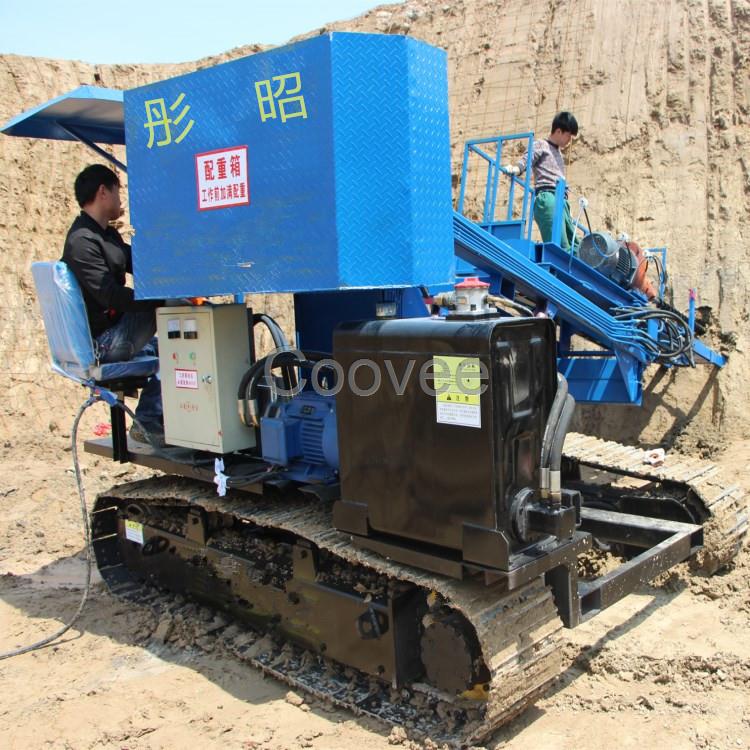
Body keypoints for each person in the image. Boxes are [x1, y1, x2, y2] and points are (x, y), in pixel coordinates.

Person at [61, 164, 165, 445]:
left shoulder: (106, 235)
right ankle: (148, 420)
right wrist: (160, 298)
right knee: (169, 314)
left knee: (175, 345)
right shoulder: (82, 242)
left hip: (116, 332)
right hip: (105, 342)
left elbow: (136, 263)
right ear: (103, 192)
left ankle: (163, 417)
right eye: (118, 192)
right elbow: (110, 295)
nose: (121, 200)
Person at [504, 111, 579, 251]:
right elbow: (528, 158)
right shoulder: (541, 145)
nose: (570, 140)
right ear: (559, 131)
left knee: (575, 245)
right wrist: (517, 168)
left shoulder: (558, 153)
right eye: (569, 136)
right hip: (548, 197)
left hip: (561, 201)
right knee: (561, 245)